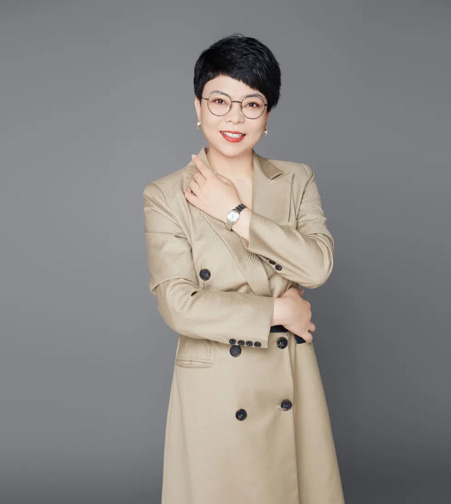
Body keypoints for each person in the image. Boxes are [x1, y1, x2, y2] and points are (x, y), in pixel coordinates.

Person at [143, 33, 345, 504]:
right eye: (220, 101)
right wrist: (277, 311)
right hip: (217, 386)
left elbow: (317, 266)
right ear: (198, 107)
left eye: (252, 104)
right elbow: (178, 305)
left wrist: (236, 214)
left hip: (289, 376)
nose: (235, 118)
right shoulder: (165, 195)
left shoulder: (296, 179)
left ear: (267, 115)